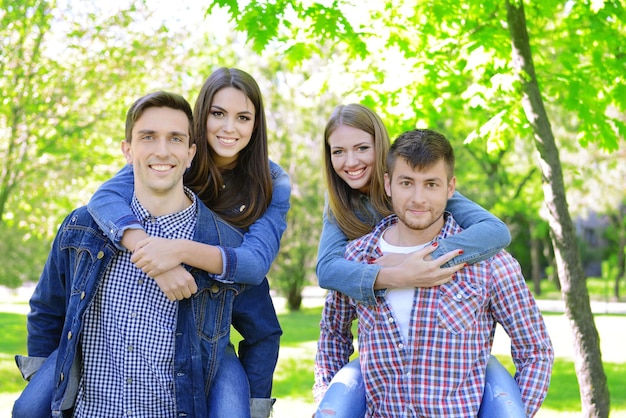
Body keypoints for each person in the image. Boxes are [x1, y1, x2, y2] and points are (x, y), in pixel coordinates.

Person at [12, 91, 249, 417]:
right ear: (127, 149)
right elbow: (47, 311)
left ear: (191, 152)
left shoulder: (222, 243)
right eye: (148, 137)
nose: (162, 150)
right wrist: (47, 386)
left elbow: (263, 333)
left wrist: (251, 403)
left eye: (176, 138)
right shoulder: (83, 228)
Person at [85, 67, 290, 418]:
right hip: (151, 300)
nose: (229, 128)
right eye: (218, 114)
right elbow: (103, 198)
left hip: (213, 314)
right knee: (30, 405)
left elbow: (255, 264)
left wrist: (177, 251)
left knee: (232, 407)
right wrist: (153, 256)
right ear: (201, 118)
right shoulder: (173, 157)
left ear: (256, 125)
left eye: (243, 117)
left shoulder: (272, 181)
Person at [314, 128, 554, 417]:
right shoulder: (357, 259)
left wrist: (516, 411)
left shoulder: (490, 264)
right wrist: (327, 401)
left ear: (450, 188)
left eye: (431, 184)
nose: (418, 198)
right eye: (407, 183)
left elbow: (536, 351)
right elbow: (332, 337)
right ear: (388, 184)